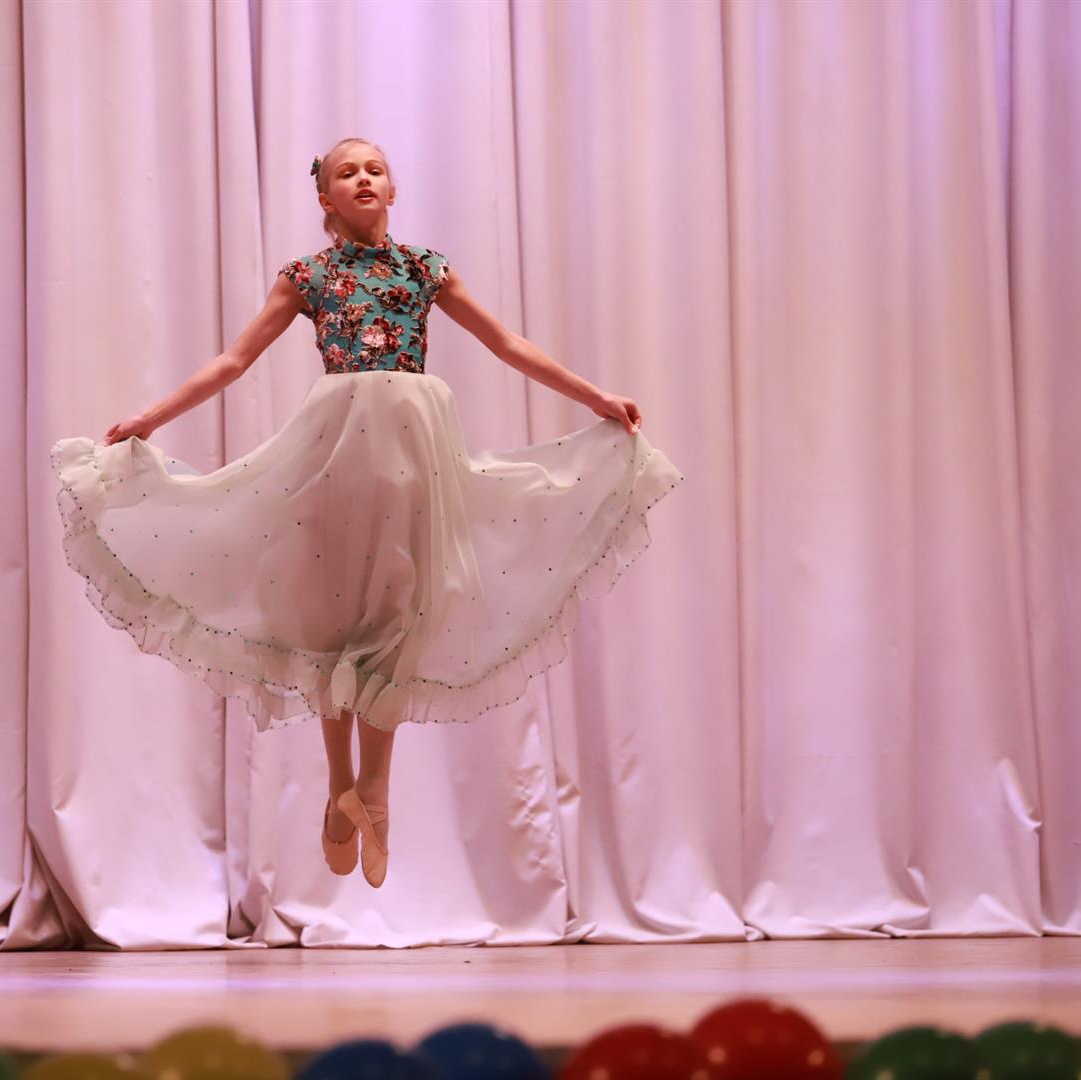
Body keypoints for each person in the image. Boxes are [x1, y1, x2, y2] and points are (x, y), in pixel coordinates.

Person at [50, 137, 682, 889]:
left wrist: (594, 397)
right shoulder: (308, 277)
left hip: (414, 453)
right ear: (325, 198)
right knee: (333, 614)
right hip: (336, 452)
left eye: (373, 169)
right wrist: (151, 418)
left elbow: (506, 343)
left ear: (392, 188)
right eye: (345, 172)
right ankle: (338, 782)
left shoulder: (425, 269)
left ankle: (373, 792)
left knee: (400, 611)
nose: (362, 178)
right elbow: (234, 361)